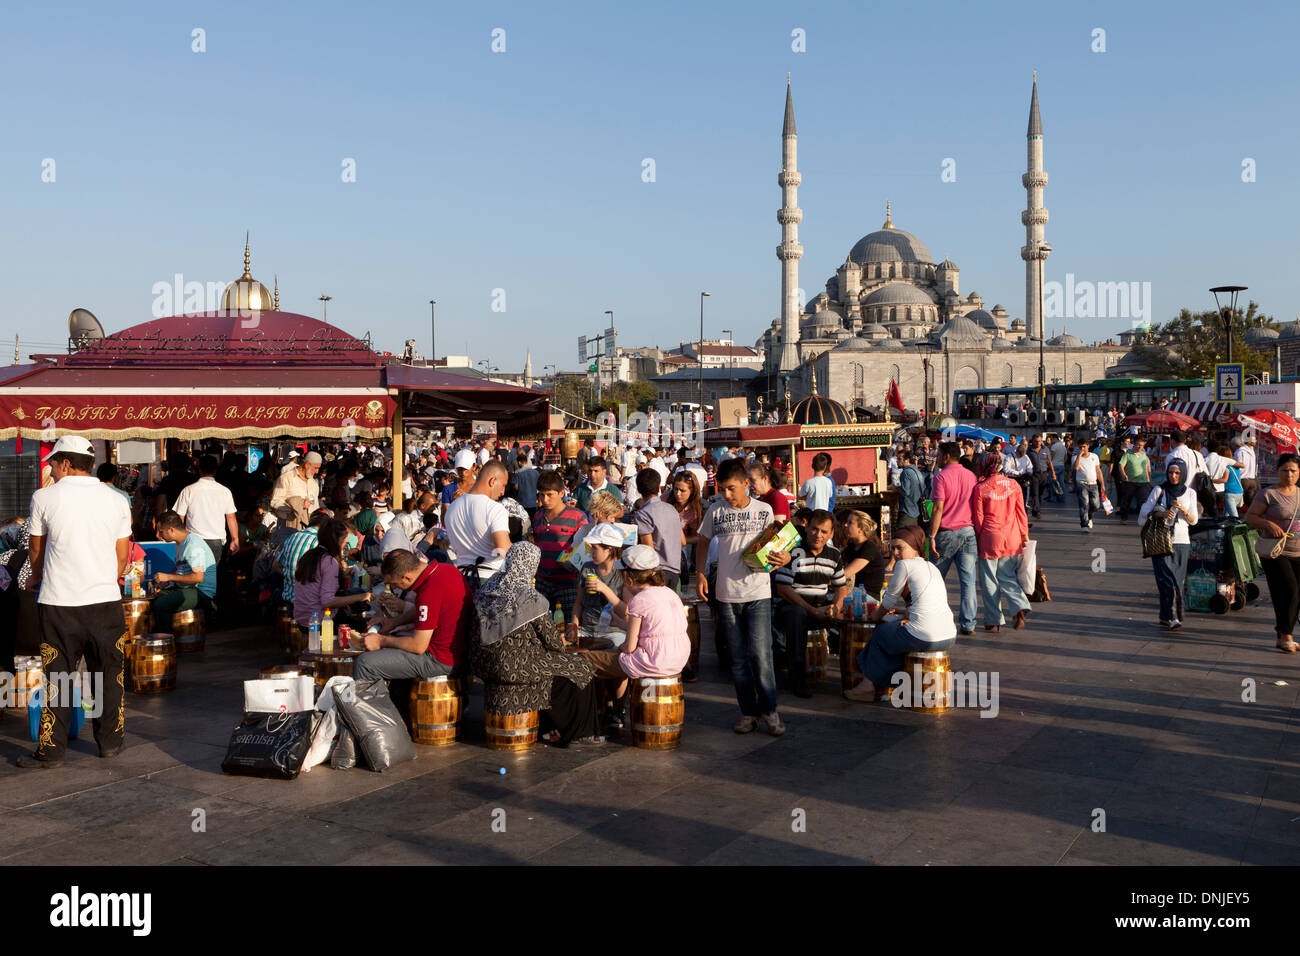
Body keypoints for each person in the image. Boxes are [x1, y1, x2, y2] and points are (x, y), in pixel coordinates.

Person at [17, 436, 133, 768]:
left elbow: (36, 549)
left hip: (59, 603)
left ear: (66, 463)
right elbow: (121, 556)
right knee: (109, 675)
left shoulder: (44, 497)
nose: (50, 469)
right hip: (105, 602)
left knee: (59, 677)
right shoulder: (116, 500)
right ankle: (110, 743)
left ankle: (51, 753)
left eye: (53, 463)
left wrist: (35, 577)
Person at [470, 542, 604, 746]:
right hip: (514, 665)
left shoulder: (487, 588)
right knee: (581, 667)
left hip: (482, 663)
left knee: (547, 667)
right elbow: (554, 644)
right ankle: (581, 733)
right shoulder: (530, 597)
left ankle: (548, 729)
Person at [696, 457, 792, 736]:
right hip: (726, 595)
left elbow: (782, 545)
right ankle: (748, 713)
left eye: (731, 489)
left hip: (758, 593)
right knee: (737, 658)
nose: (726, 495)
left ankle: (770, 711)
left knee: (761, 655)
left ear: (746, 484)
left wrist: (784, 557)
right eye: (722, 489)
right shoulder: (715, 511)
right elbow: (702, 542)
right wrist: (701, 574)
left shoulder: (764, 511)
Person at [578, 545, 691, 723]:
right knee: (613, 656)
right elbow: (650, 629)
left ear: (629, 579)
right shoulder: (670, 594)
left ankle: (588, 718)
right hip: (678, 659)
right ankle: (615, 709)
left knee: (584, 660)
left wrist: (619, 649)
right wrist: (620, 623)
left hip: (652, 662)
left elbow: (629, 647)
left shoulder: (639, 600)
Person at [844, 525, 956, 702]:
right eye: (893, 548)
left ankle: (868, 685)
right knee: (897, 637)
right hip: (949, 636)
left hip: (924, 637)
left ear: (915, 547)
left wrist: (873, 618)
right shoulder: (932, 567)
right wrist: (906, 612)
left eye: (900, 548)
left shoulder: (905, 565)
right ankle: (893, 685)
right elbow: (930, 603)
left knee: (881, 633)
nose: (895, 553)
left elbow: (888, 602)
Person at [356, 548, 474, 680]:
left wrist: (380, 640)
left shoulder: (429, 591)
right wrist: (394, 622)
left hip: (439, 659)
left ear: (407, 577)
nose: (394, 588)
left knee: (365, 663)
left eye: (395, 584)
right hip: (457, 653)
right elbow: (426, 610)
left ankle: (375, 701)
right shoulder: (447, 569)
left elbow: (418, 645)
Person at [772, 509, 850, 697]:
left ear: (831, 534)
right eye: (814, 529)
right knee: (796, 616)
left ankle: (856, 678)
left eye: (824, 532)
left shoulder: (834, 555)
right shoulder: (793, 551)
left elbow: (841, 588)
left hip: (821, 606)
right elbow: (783, 589)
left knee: (853, 619)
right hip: (791, 607)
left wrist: (835, 608)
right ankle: (797, 679)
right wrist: (811, 611)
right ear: (807, 528)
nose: (818, 535)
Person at [1246, 453, 1300, 652]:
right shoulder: (1268, 494)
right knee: (1290, 590)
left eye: (1293, 470)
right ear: (1278, 471)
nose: (1289, 474)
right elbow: (1250, 517)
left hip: (1298, 551)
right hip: (1275, 551)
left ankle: (1282, 635)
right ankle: (1286, 633)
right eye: (1285, 470)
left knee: (1291, 594)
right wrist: (1267, 523)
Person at [972, 453, 1030, 632]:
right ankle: (1019, 605)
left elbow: (978, 518)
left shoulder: (980, 488)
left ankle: (993, 619)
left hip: (990, 537)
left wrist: (979, 537)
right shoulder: (1014, 485)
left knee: (989, 580)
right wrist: (1024, 534)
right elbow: (1021, 513)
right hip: (1012, 537)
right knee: (1008, 576)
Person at [1139, 461, 1199, 630]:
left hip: (1182, 542)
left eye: (1177, 473)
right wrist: (1162, 513)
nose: (1173, 476)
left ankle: (1167, 616)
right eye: (1171, 472)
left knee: (1178, 582)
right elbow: (1144, 511)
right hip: (1161, 541)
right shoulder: (1159, 490)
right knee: (1167, 580)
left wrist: (1183, 510)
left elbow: (1194, 520)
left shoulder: (1190, 493)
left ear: (1184, 474)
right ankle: (1173, 617)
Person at [928, 441, 978, 636]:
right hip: (968, 532)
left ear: (947, 456)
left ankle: (935, 618)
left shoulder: (940, 477)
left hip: (947, 533)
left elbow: (938, 508)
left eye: (939, 455)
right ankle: (968, 623)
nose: (937, 458)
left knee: (935, 579)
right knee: (968, 581)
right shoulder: (970, 475)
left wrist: (931, 536)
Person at [293, 519, 373, 629]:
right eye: (344, 537)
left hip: (302, 617)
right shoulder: (329, 561)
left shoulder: (309, 555)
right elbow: (327, 601)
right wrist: (361, 597)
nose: (347, 540)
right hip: (318, 621)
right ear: (336, 540)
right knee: (365, 625)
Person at [443, 460, 512, 582]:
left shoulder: (452, 507)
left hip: (460, 577)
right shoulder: (495, 509)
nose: (503, 492)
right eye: (503, 485)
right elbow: (503, 549)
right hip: (489, 578)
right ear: (493, 481)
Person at [532, 469, 588, 619]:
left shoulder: (577, 517)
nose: (545, 499)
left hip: (568, 584)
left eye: (550, 494)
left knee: (568, 626)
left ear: (561, 493)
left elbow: (586, 547)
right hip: (542, 581)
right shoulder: (537, 516)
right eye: (542, 495)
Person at [151, 510, 218, 632]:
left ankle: (168, 644)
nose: (158, 536)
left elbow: (198, 578)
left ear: (171, 530)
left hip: (200, 591)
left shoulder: (193, 545)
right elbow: (179, 568)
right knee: (154, 598)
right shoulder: (180, 543)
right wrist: (166, 583)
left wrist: (169, 577)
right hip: (188, 588)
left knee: (162, 605)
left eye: (161, 532)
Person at [173, 454, 239, 566]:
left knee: (193, 576)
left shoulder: (189, 490)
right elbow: (231, 517)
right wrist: (235, 538)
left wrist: (179, 540)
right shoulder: (225, 491)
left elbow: (180, 517)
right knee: (210, 576)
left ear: (199, 469)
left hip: (193, 540)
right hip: (216, 541)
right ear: (216, 469)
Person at [632, 468, 683, 592]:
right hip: (675, 569)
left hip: (657, 572)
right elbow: (683, 541)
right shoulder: (671, 509)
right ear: (659, 487)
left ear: (638, 489)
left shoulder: (643, 513)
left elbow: (649, 549)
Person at [572, 522, 627, 632]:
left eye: (595, 548)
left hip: (614, 631)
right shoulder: (587, 568)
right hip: (586, 630)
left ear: (609, 550)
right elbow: (578, 603)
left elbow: (625, 613)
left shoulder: (623, 573)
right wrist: (573, 627)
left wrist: (604, 589)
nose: (590, 552)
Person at [838, 510, 889, 598]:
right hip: (853, 592)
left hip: (868, 596)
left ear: (861, 528)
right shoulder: (850, 548)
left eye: (850, 523)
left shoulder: (869, 548)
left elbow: (845, 574)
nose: (845, 525)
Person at [666, 471, 704, 579]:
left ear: (692, 491)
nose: (678, 493)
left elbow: (697, 538)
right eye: (676, 489)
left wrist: (681, 540)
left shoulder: (695, 511)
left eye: (682, 490)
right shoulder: (665, 499)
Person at [270, 451, 322, 525]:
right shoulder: (285, 479)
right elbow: (275, 502)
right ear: (307, 465)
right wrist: (296, 507)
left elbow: (315, 506)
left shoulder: (313, 483)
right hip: (290, 526)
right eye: (316, 468)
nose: (317, 472)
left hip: (309, 527)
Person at [1073, 439, 1107, 532]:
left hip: (1093, 484)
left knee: (1096, 505)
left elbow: (1098, 470)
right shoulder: (1075, 457)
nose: (1082, 449)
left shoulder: (1094, 456)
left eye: (1084, 446)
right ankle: (1084, 524)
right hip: (1081, 483)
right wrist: (1079, 455)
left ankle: (1089, 516)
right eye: (1080, 447)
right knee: (1084, 504)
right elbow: (1076, 468)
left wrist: (1102, 484)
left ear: (1088, 446)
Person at [1117, 437, 1152, 523]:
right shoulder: (1128, 454)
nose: (1140, 447)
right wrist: (1123, 474)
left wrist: (1148, 479)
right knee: (1126, 500)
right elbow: (1121, 465)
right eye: (1138, 445)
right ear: (1134, 444)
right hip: (1130, 481)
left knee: (1144, 501)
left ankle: (1144, 518)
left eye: (1142, 446)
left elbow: (1146, 468)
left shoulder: (1144, 455)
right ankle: (1123, 517)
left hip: (1143, 482)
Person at [1026, 435, 1055, 518]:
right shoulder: (1029, 450)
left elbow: (1049, 462)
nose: (1038, 443)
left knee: (1040, 493)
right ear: (1033, 441)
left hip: (1044, 474)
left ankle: (1036, 508)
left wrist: (1053, 473)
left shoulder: (1045, 449)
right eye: (1036, 441)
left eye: (1039, 441)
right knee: (1035, 493)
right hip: (1034, 474)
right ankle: (1037, 510)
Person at [895, 450, 924, 527]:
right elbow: (923, 488)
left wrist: (897, 488)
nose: (897, 461)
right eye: (897, 459)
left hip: (907, 512)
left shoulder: (906, 472)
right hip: (916, 512)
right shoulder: (917, 471)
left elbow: (905, 492)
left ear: (907, 460)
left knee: (902, 536)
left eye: (899, 459)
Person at [512, 453, 540, 520]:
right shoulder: (536, 472)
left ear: (519, 462)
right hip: (534, 502)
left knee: (523, 522)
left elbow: (516, 487)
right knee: (534, 521)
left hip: (522, 502)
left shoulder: (517, 473)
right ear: (527, 462)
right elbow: (539, 487)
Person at [1235, 435, 1258, 507]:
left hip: (1244, 479)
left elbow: (1237, 464)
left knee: (1239, 502)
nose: (1255, 441)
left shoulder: (1241, 451)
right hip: (1250, 479)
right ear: (1248, 441)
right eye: (1254, 440)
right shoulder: (1244, 451)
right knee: (1249, 503)